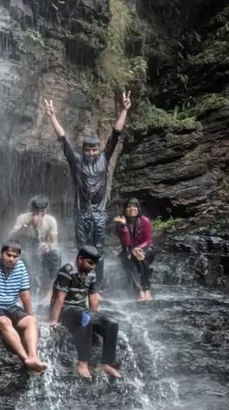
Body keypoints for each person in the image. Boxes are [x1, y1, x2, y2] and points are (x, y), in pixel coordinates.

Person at [43, 91, 132, 286]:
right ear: (83, 150)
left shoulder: (104, 159)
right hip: (81, 211)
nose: (91, 153)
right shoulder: (76, 162)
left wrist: (124, 110)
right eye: (88, 150)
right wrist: (52, 116)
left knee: (99, 248)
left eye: (94, 150)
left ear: (99, 150)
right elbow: (63, 140)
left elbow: (115, 135)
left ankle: (97, 285)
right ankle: (81, 281)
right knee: (82, 247)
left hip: (99, 212)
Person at [0, 242, 48, 374]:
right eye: (8, 255)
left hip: (10, 306)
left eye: (15, 256)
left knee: (31, 322)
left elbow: (25, 295)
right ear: (1, 254)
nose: (11, 259)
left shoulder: (21, 267)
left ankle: (33, 357)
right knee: (4, 322)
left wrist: (31, 316)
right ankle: (26, 359)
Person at [47, 245, 122, 380]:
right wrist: (53, 319)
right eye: (90, 263)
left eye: (95, 264)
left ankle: (106, 363)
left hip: (81, 309)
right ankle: (82, 363)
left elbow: (93, 298)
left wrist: (97, 318)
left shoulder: (91, 274)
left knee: (112, 323)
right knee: (86, 319)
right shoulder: (67, 271)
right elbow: (59, 297)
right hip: (66, 309)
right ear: (80, 259)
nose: (93, 267)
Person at [8, 195, 62, 302]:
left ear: (45, 211)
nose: (36, 215)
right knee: (17, 254)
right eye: (34, 212)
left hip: (42, 249)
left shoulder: (51, 221)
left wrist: (48, 246)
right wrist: (25, 226)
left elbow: (54, 242)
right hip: (25, 248)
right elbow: (11, 237)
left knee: (57, 253)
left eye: (40, 212)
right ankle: (17, 293)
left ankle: (49, 293)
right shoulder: (23, 218)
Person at [113, 197, 157, 302]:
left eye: (135, 206)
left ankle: (147, 289)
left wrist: (137, 248)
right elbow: (126, 244)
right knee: (127, 260)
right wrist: (124, 226)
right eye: (129, 206)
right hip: (129, 251)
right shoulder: (120, 224)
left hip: (146, 249)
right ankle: (139, 291)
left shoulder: (145, 221)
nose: (132, 208)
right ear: (125, 210)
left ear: (138, 208)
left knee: (140, 256)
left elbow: (148, 240)